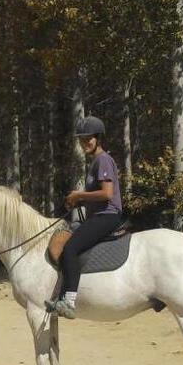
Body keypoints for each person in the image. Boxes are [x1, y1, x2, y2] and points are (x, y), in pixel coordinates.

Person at [45, 116, 123, 319]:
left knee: (70, 248)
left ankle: (69, 301)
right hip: (99, 214)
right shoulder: (96, 162)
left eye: (89, 138)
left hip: (107, 216)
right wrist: (80, 202)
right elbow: (98, 196)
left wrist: (79, 195)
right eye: (82, 139)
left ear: (98, 138)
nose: (85, 142)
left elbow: (107, 194)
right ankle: (60, 297)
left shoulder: (103, 160)